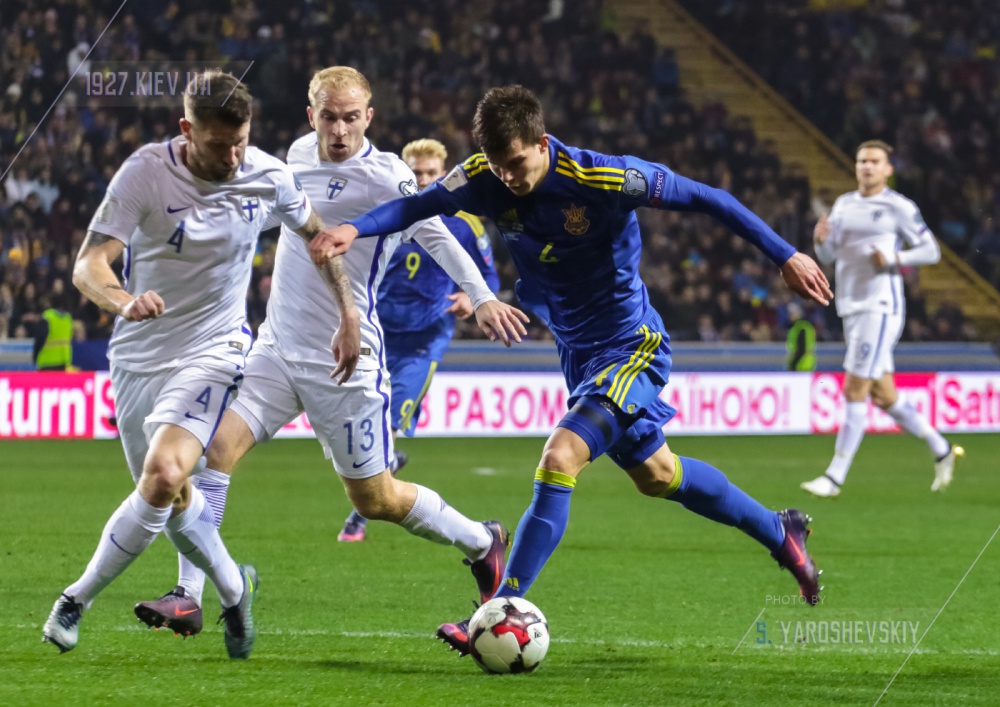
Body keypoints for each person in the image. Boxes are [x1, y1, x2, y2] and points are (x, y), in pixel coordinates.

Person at [311, 84, 834, 656]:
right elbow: (417, 205)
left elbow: (710, 198)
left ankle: (500, 606)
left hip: (631, 346)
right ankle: (781, 532)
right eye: (498, 165)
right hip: (578, 352)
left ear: (542, 142)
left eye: (516, 163)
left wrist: (786, 254)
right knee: (658, 474)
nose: (507, 177)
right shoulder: (483, 175)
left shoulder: (606, 178)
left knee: (560, 458)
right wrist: (354, 230)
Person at [133, 67, 529, 637]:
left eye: (350, 118)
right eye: (328, 117)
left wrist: (482, 295)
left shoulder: (388, 176)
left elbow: (438, 236)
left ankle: (480, 540)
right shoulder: (296, 156)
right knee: (212, 451)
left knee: (375, 500)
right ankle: (188, 594)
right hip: (275, 350)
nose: (339, 130)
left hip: (347, 362)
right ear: (310, 115)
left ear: (369, 117)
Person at [42, 70, 361, 660]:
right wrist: (123, 300)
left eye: (241, 142)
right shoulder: (145, 171)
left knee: (165, 474)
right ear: (187, 130)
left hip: (216, 351)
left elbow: (320, 238)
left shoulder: (268, 175)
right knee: (171, 498)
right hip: (139, 356)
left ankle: (74, 601)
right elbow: (89, 264)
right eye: (219, 145)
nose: (233, 157)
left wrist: (348, 313)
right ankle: (235, 589)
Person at [337, 138, 501, 543]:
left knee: (391, 421)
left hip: (426, 338)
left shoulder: (466, 224)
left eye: (431, 173)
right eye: (416, 173)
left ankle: (358, 515)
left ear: (444, 174)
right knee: (363, 418)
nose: (424, 180)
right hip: (379, 331)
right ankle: (387, 463)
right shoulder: (387, 214)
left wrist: (470, 297)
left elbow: (489, 276)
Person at [801, 140, 962, 498]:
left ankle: (834, 477)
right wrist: (820, 241)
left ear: (888, 169)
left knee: (854, 388)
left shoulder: (899, 207)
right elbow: (829, 254)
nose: (867, 166)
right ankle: (941, 448)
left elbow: (931, 251)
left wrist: (894, 258)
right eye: (862, 161)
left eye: (875, 161)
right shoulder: (844, 205)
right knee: (884, 395)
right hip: (850, 306)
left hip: (881, 307)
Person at [33, 294, 74, 371]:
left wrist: (35, 356)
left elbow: (40, 339)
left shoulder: (48, 317)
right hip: (63, 361)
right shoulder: (68, 318)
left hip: (47, 361)